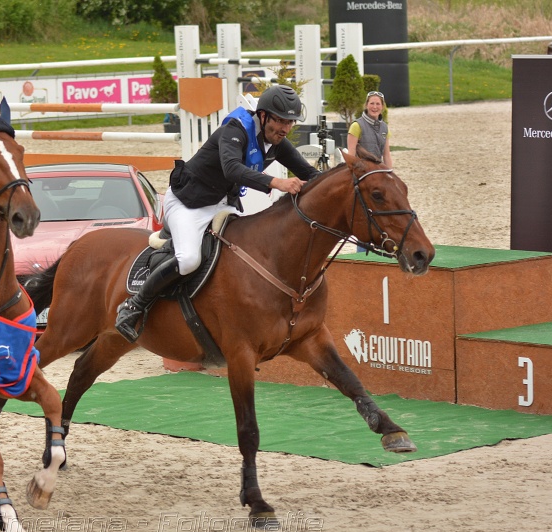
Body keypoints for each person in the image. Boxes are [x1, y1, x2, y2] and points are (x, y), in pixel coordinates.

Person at [115, 85, 321, 343]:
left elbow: (311, 174)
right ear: (263, 115)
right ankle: (134, 305)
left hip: (222, 204)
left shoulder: (277, 142)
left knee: (249, 254)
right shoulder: (235, 130)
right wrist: (277, 183)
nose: (285, 128)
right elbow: (232, 169)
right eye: (280, 120)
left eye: (289, 122)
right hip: (188, 203)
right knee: (189, 259)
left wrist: (342, 181)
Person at [347, 91, 393, 168]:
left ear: (382, 106)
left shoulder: (385, 127)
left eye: (378, 104)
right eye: (372, 103)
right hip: (361, 170)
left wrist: (390, 173)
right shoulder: (356, 126)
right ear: (366, 105)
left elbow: (386, 155)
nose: (374, 107)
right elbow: (351, 154)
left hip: (377, 170)